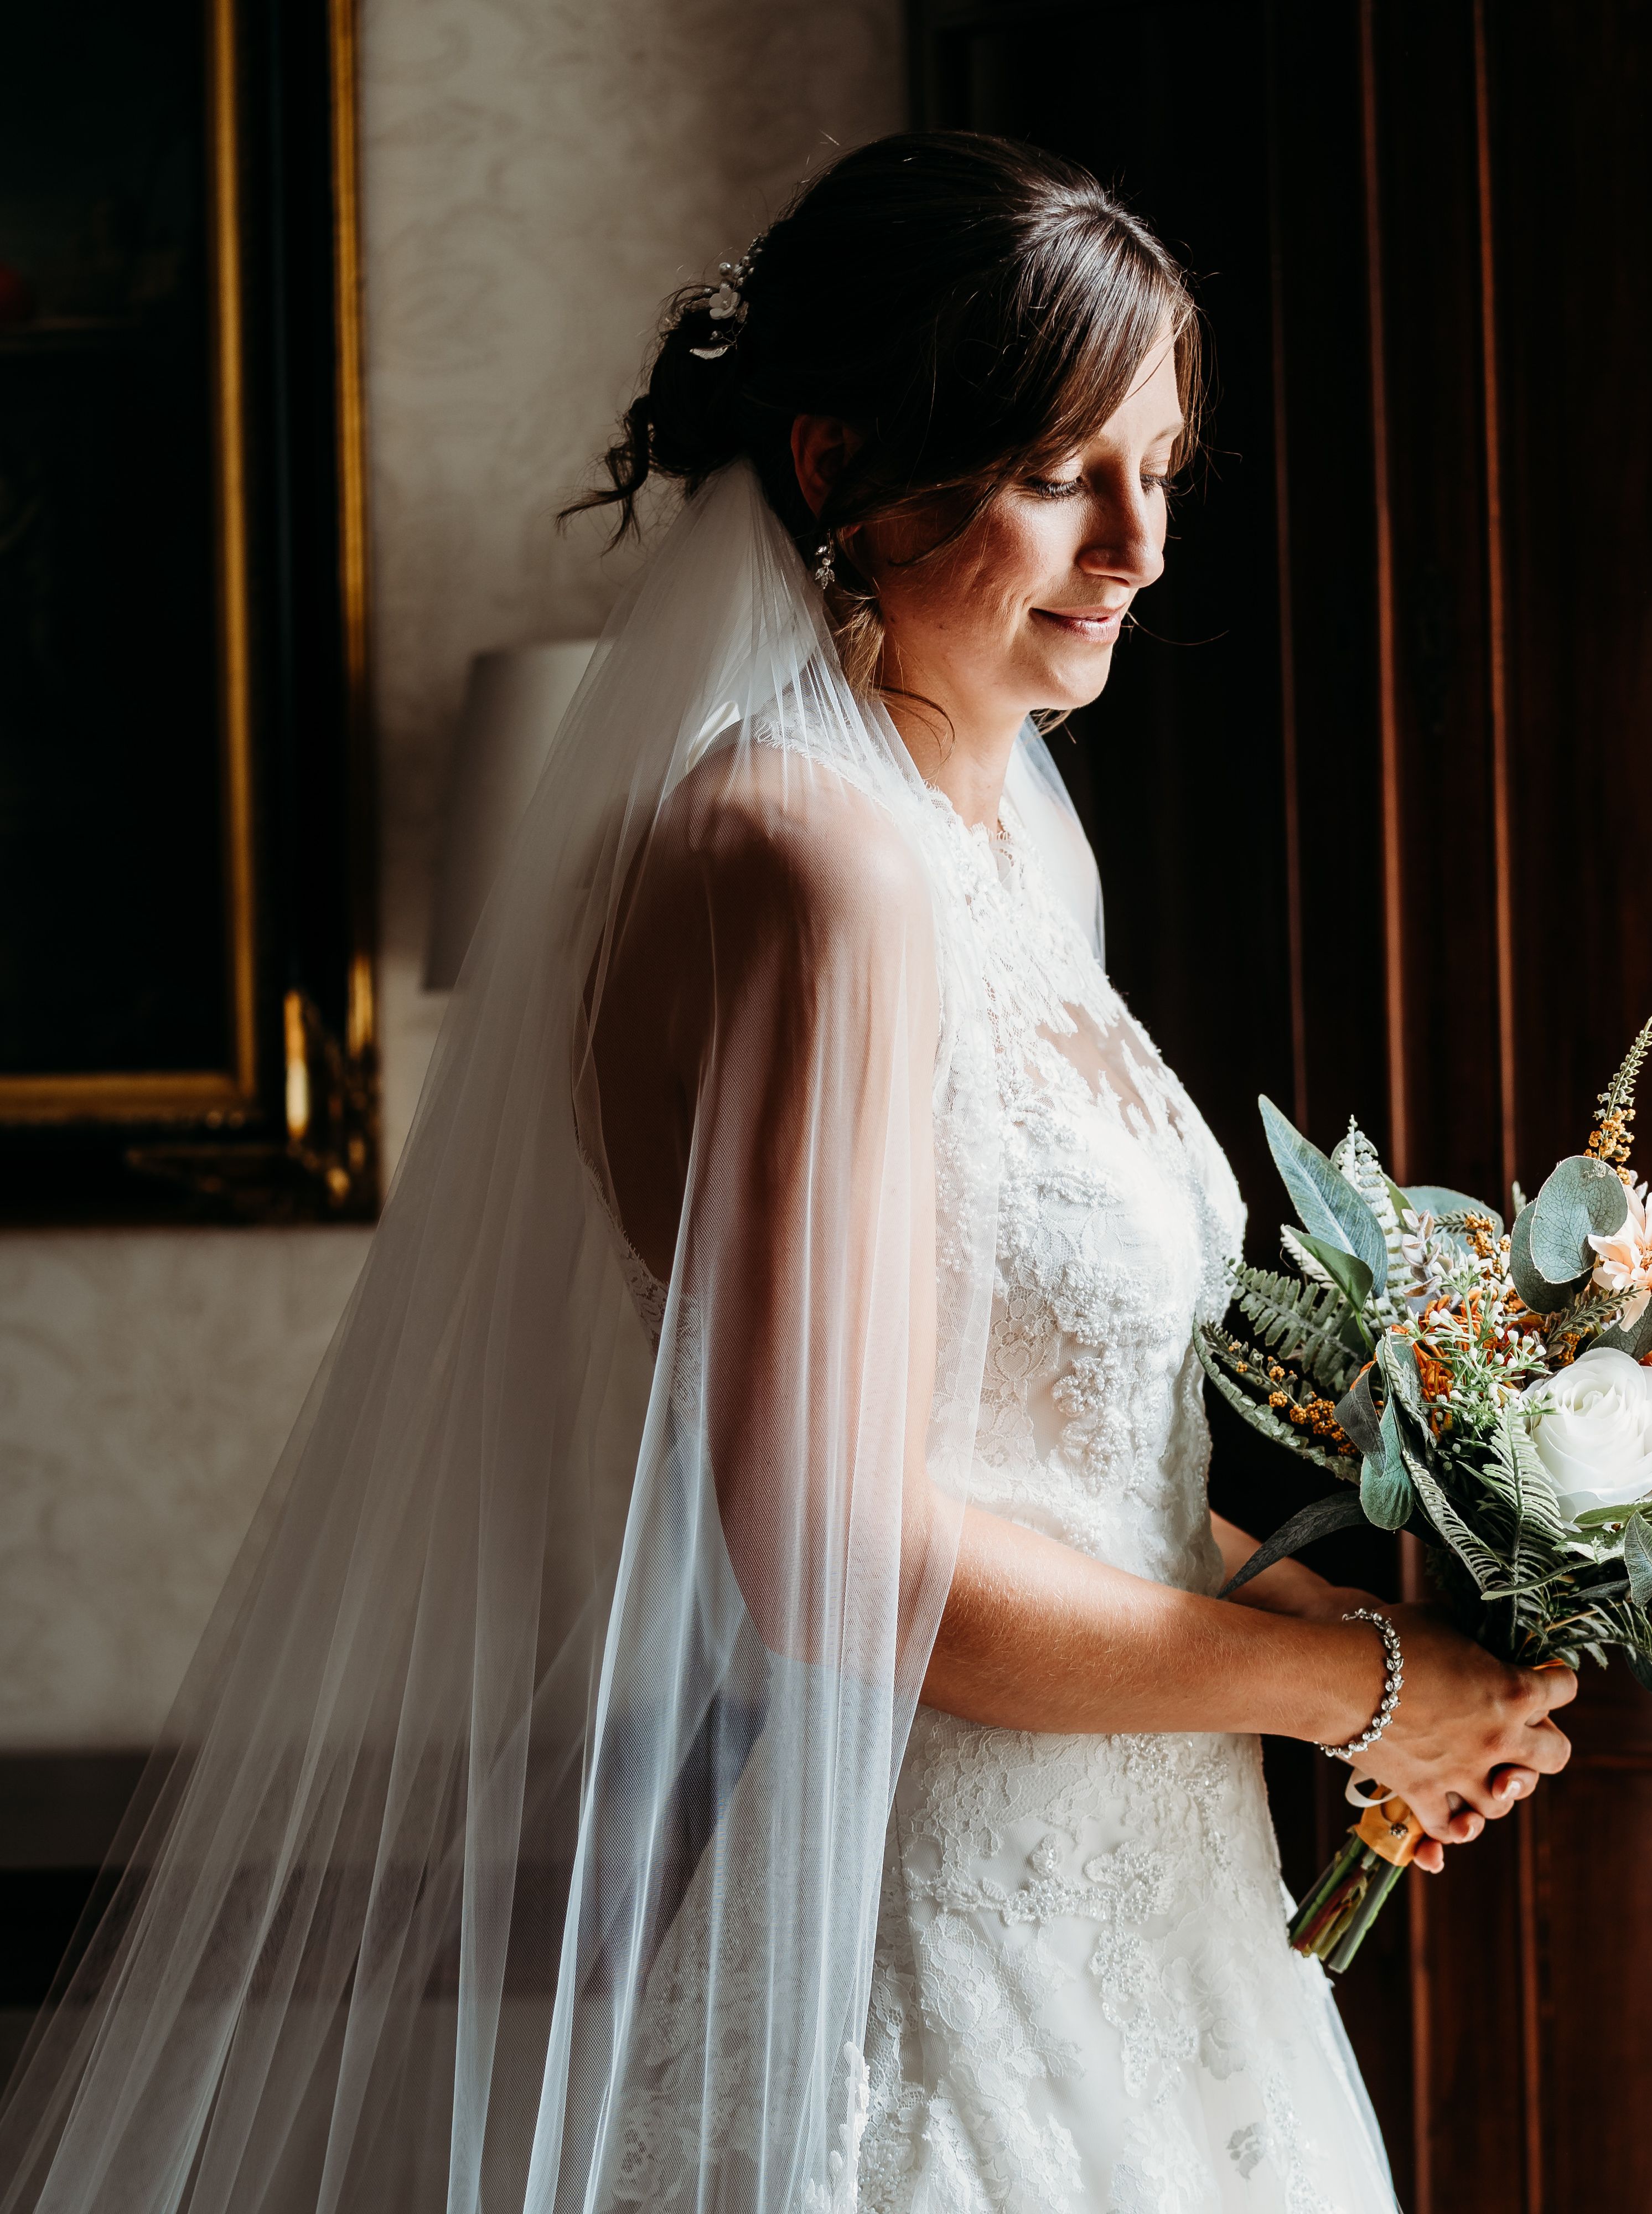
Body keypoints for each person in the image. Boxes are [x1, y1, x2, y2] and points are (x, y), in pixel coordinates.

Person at [0, 133, 1572, 2214]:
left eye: (1162, 470)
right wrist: (1360, 1681)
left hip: (1153, 1910)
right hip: (940, 1946)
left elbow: (1050, 1459)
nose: (1138, 546)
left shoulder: (1000, 834)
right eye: (1060, 472)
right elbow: (836, 1544)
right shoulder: (804, 862)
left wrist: (1371, 1677)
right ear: (842, 464)